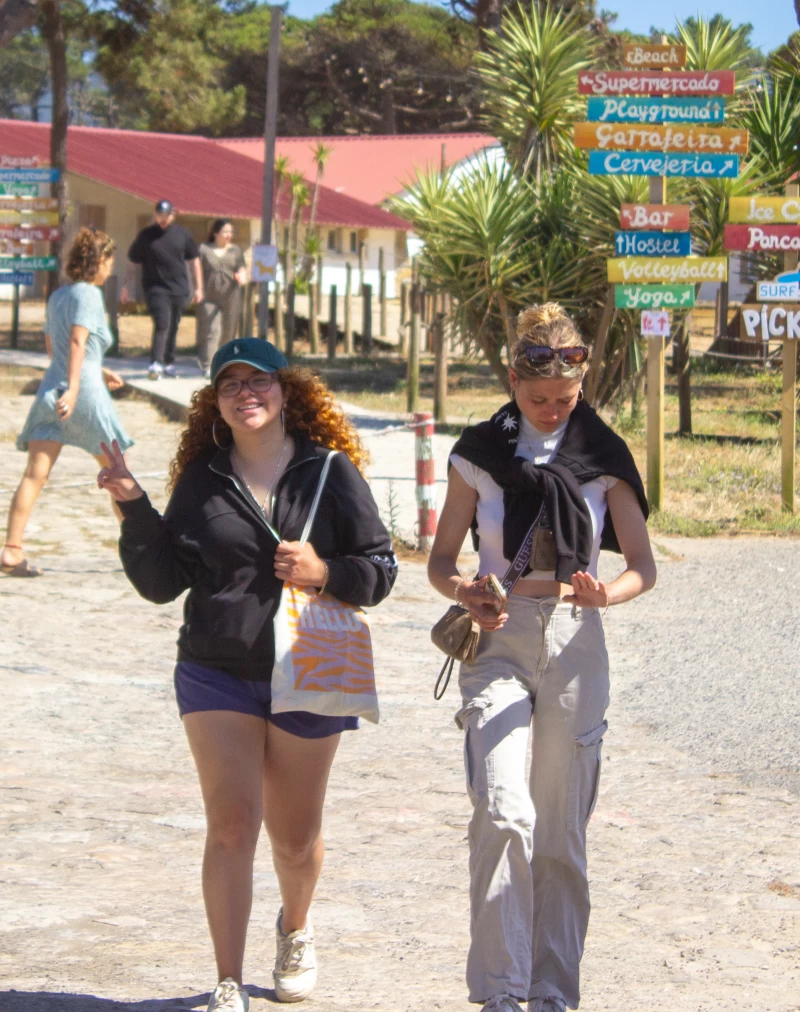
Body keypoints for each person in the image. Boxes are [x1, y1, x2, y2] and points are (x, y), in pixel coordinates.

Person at [96, 337, 397, 1012]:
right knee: (232, 823)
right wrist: (132, 506)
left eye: (257, 380)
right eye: (229, 385)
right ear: (217, 403)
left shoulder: (331, 471)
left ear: (284, 393)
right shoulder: (204, 477)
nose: (245, 393)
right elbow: (162, 583)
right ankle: (228, 983)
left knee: (295, 838)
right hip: (215, 670)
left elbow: (381, 571)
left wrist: (327, 573)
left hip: (310, 665)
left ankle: (295, 926)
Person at [427, 303, 656, 1012]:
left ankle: (551, 995)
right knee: (503, 813)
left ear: (581, 386)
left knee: (559, 834)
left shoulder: (605, 455)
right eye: (537, 400)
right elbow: (439, 561)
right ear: (511, 380)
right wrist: (466, 589)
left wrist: (604, 595)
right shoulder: (478, 453)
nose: (552, 410)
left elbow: (642, 565)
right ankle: (501, 993)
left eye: (564, 399)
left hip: (575, 642)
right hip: (497, 639)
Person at [1, 227, 130, 578]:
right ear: (99, 261)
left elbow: (54, 346)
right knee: (121, 474)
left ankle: (12, 549)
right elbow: (76, 341)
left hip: (52, 386)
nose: (110, 267)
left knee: (34, 474)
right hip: (80, 393)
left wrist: (94, 372)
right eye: (109, 260)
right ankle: (144, 545)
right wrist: (77, 387)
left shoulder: (58, 295)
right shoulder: (89, 294)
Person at [120, 199, 203, 381]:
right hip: (156, 289)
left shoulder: (183, 234)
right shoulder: (146, 236)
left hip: (180, 289)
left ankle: (169, 362)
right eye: (160, 215)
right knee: (162, 323)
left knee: (173, 325)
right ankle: (155, 363)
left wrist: (199, 288)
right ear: (155, 215)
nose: (163, 219)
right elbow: (133, 261)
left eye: (167, 215)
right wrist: (125, 285)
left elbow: (194, 260)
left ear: (173, 215)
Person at [197, 219, 247, 378]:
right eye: (225, 231)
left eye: (230, 232)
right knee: (212, 330)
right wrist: (196, 289)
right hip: (209, 296)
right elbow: (195, 269)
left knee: (229, 331)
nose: (228, 235)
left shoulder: (235, 251)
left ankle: (225, 364)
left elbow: (242, 267)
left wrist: (242, 276)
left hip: (231, 295)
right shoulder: (204, 249)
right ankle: (208, 365)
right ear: (215, 233)